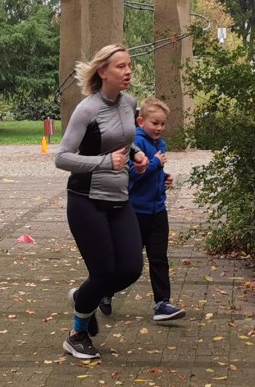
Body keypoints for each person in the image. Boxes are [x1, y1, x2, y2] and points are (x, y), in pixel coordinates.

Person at [54, 44, 149, 360]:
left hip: (120, 199)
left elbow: (125, 138)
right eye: (121, 66)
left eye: (129, 65)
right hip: (85, 200)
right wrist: (104, 163)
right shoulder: (87, 109)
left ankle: (83, 296)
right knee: (104, 271)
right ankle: (77, 333)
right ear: (103, 72)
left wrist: (137, 155)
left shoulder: (129, 103)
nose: (128, 71)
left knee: (132, 268)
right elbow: (63, 158)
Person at [99, 98, 186, 321]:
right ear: (140, 121)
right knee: (128, 262)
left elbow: (150, 174)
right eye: (154, 123)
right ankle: (105, 291)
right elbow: (130, 177)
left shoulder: (160, 144)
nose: (159, 128)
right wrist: (155, 165)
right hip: (135, 213)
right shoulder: (133, 144)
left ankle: (162, 304)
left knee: (159, 258)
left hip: (158, 211)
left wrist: (164, 179)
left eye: (162, 124)